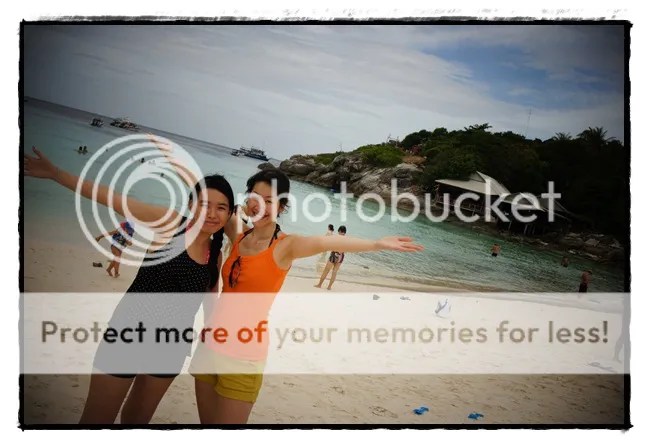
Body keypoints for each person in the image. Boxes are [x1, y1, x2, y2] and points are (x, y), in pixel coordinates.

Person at [189, 168, 423, 424]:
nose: (260, 205)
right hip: (209, 346)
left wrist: (376, 244)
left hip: (244, 356)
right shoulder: (238, 234)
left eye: (269, 201)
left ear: (282, 207)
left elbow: (326, 243)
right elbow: (210, 210)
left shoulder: (285, 246)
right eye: (255, 197)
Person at [23, 145, 235, 424]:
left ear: (229, 214)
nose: (212, 213)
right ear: (190, 204)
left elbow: (210, 304)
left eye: (221, 208)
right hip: (128, 334)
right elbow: (114, 199)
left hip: (171, 348)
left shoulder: (214, 254)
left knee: (137, 421)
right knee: (96, 419)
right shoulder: (170, 224)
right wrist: (56, 174)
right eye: (205, 204)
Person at [315, 225, 347, 290]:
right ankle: (329, 287)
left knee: (326, 270)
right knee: (334, 272)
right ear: (345, 232)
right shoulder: (347, 239)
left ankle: (319, 285)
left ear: (339, 231)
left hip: (334, 255)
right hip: (341, 256)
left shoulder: (336, 237)